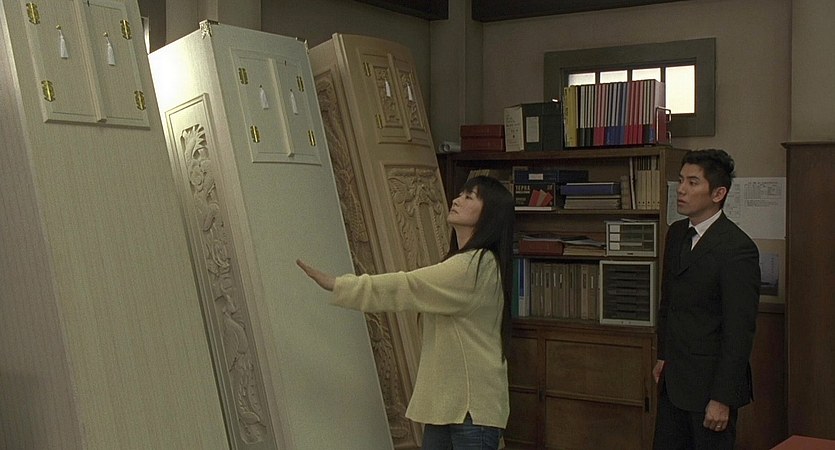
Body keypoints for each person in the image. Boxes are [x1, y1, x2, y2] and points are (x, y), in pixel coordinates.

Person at [297, 175, 515, 450]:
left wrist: (338, 284)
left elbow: (406, 285)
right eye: (460, 194)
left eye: (469, 197)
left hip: (470, 410)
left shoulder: (476, 265)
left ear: (489, 214)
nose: (456, 200)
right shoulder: (468, 262)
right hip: (448, 408)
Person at [653, 149, 761, 450]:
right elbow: (668, 303)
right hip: (674, 380)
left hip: (710, 387)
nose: (681, 189)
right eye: (680, 180)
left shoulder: (737, 248)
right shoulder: (677, 233)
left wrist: (722, 398)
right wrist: (663, 354)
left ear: (718, 193)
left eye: (693, 182)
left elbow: (739, 331)